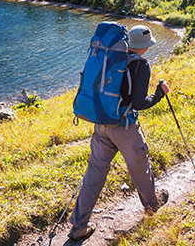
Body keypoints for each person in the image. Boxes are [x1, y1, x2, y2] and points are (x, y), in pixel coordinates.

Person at [68, 24, 170, 241]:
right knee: (139, 168)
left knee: (94, 174)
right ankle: (153, 207)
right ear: (144, 46)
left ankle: (78, 225)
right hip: (125, 128)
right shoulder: (140, 65)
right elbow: (140, 103)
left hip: (102, 124)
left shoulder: (111, 57)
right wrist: (160, 93)